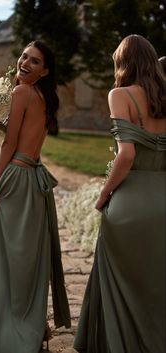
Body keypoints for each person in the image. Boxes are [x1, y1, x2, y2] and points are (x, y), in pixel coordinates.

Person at [74, 34, 166, 353]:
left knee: (123, 283)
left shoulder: (120, 94)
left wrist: (103, 195)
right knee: (158, 283)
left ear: (122, 63)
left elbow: (126, 155)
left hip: (132, 202)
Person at [0, 40, 71, 353]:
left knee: (6, 261)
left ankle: (12, 332)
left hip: (16, 180)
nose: (25, 63)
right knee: (27, 260)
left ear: (44, 70)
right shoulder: (43, 96)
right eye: (23, 56)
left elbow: (10, 144)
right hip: (33, 178)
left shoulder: (21, 93)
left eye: (34, 61)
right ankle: (31, 324)